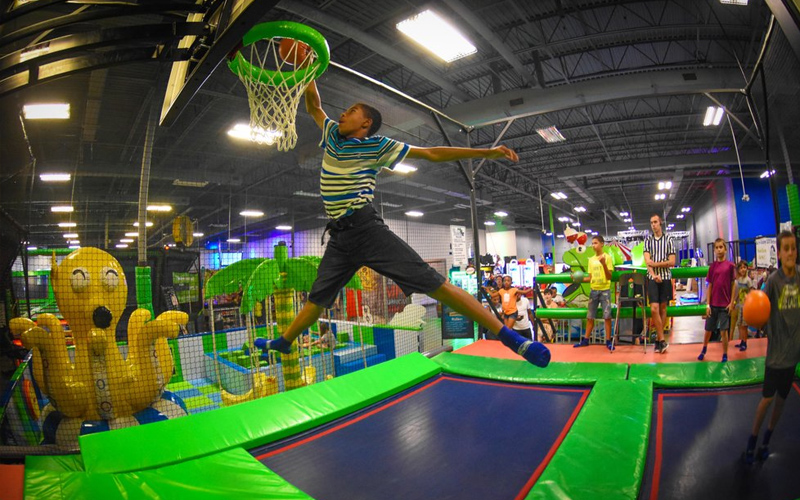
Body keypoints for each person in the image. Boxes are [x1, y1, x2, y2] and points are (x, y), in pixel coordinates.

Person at [254, 81, 550, 367]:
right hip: (340, 238)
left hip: (367, 230)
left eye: (351, 110)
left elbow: (432, 153)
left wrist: (487, 152)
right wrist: (309, 71)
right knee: (316, 300)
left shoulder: (377, 145)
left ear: (365, 123)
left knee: (435, 285)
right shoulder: (332, 134)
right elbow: (314, 105)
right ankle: (285, 341)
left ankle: (509, 337)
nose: (342, 113)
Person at [743, 231, 800, 464]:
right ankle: (752, 440)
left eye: (793, 248)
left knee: (782, 400)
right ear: (779, 252)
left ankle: (767, 438)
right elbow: (759, 309)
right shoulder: (774, 281)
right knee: (767, 399)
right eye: (785, 248)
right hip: (776, 356)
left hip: (794, 353)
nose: (789, 252)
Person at [573, 235, 615, 351]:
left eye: (595, 243)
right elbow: (590, 277)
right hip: (593, 290)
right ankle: (586, 340)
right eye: (592, 243)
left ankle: (608, 341)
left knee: (607, 316)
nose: (593, 245)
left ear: (602, 244)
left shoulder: (607, 257)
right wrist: (578, 278)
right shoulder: (591, 260)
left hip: (605, 290)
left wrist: (604, 264)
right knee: (590, 316)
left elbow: (609, 276)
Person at [697, 239, 735, 362]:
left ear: (724, 249)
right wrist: (708, 304)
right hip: (713, 304)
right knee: (708, 329)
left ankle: (725, 353)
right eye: (716, 248)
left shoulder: (730, 266)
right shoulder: (712, 267)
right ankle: (704, 349)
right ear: (714, 250)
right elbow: (710, 286)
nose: (719, 250)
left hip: (725, 305)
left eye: (721, 247)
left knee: (724, 331)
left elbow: (733, 284)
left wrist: (732, 302)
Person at [643, 214, 675, 353]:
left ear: (660, 222)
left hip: (666, 277)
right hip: (652, 278)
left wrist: (656, 264)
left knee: (663, 308)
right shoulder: (648, 240)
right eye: (651, 223)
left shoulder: (669, 239)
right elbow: (647, 261)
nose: (653, 225)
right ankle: (662, 339)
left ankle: (658, 342)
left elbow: (672, 262)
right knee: (654, 308)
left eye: (655, 222)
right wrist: (654, 274)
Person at [732, 260, 755, 351]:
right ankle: (741, 341)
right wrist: (734, 301)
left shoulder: (748, 280)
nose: (743, 269)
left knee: (744, 326)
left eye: (744, 267)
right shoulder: (739, 280)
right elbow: (738, 292)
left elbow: (752, 291)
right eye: (741, 268)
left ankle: (745, 342)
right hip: (740, 305)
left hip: (746, 306)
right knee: (740, 324)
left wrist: (749, 299)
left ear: (747, 268)